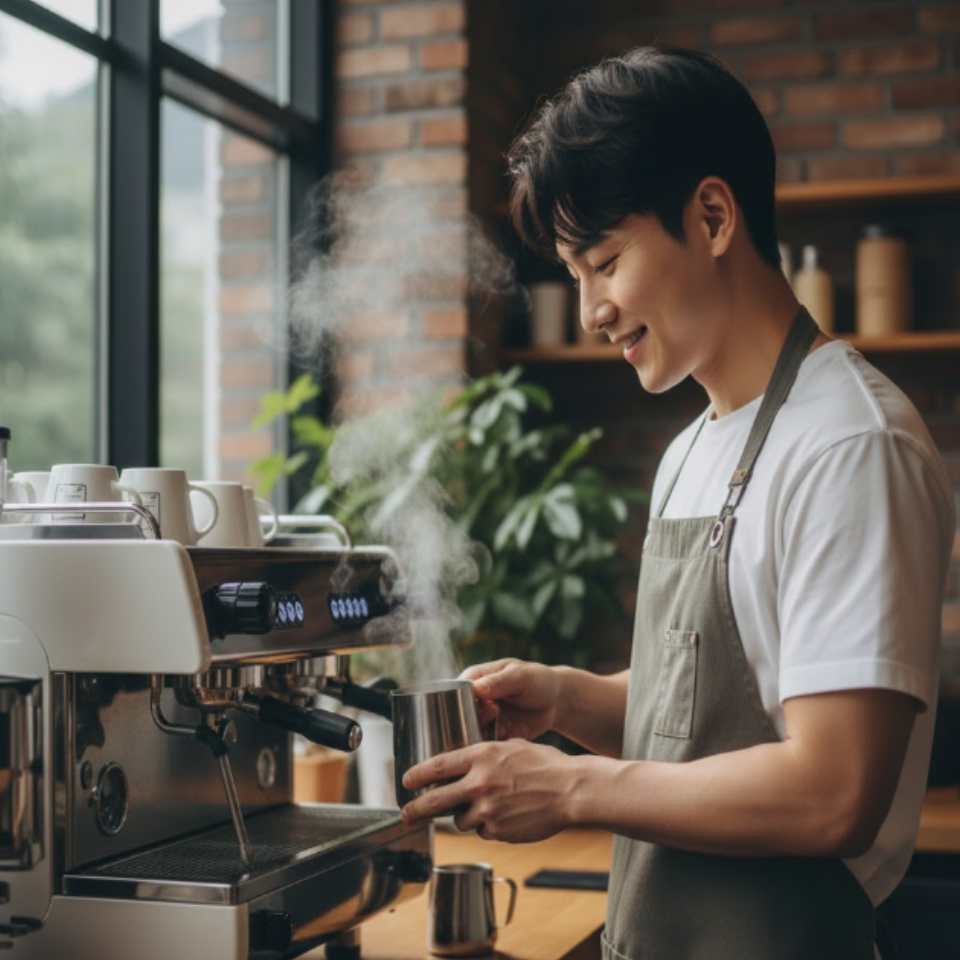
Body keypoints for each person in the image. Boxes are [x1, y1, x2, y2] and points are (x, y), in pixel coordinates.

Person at [399, 47, 955, 959]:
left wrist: (572, 789)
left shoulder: (852, 443)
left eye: (606, 261)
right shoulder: (691, 447)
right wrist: (570, 700)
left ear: (711, 215)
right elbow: (705, 718)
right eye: (575, 274)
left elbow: (835, 790)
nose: (590, 312)